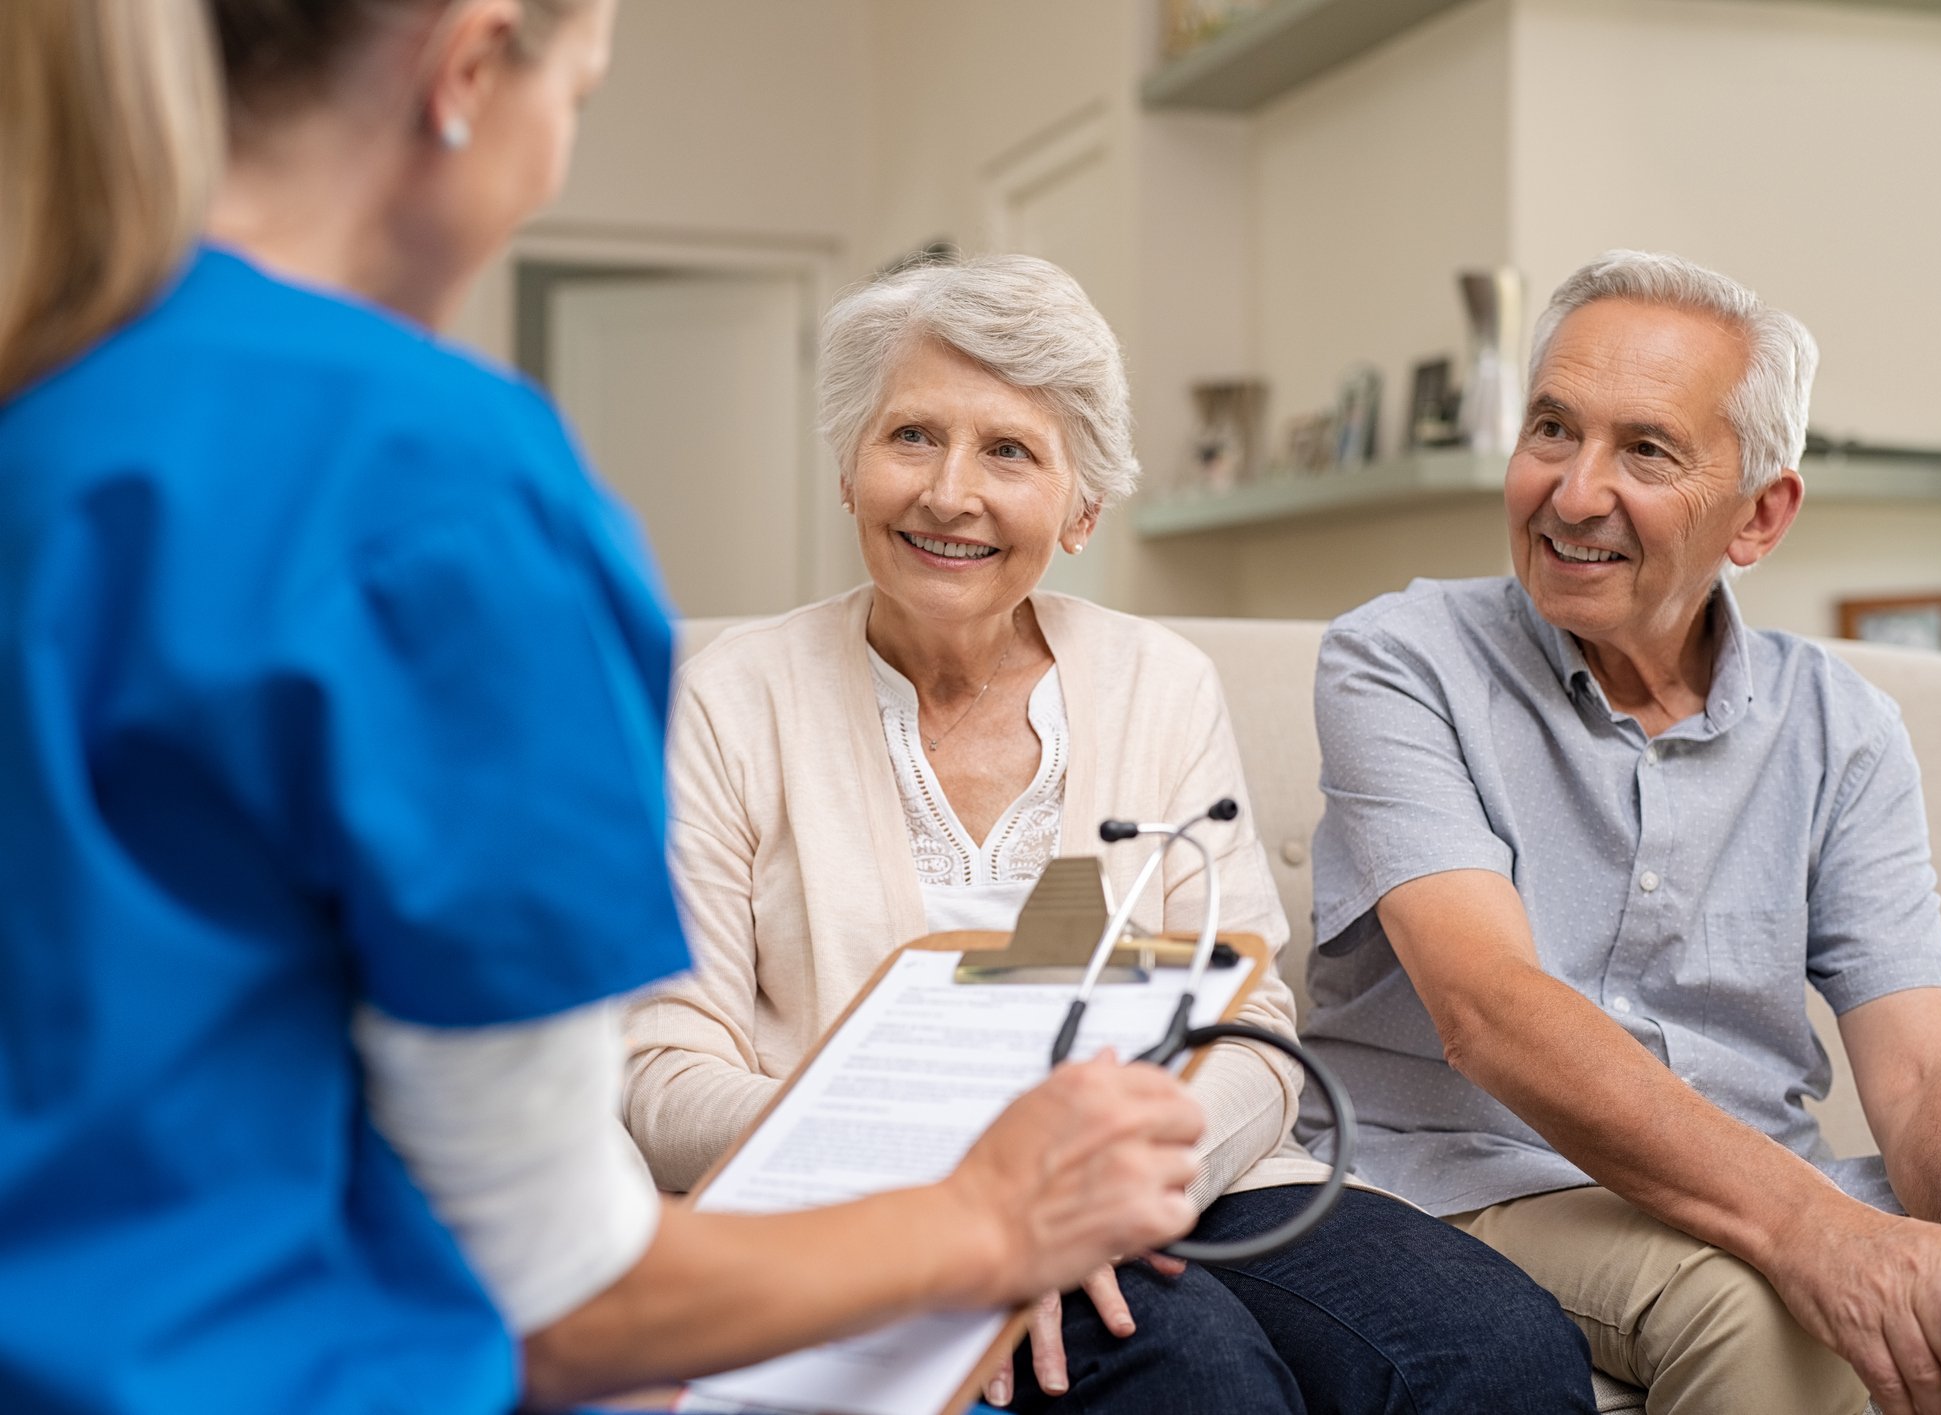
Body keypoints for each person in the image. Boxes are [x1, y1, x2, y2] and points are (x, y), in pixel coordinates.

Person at [0, 2, 1210, 1411]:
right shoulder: (441, 492)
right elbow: (557, 1290)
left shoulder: (50, 397)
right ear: (467, 66)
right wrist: (995, 1212)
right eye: (577, 94)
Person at [623, 252, 1595, 1414]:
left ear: (1080, 507)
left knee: (1502, 1346)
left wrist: (1113, 1183)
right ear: (846, 465)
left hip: (1166, 1176)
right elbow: (663, 1072)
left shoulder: (1158, 685)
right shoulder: (729, 698)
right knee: (1195, 1378)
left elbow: (1248, 1025)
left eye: (1009, 452)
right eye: (911, 436)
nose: (948, 492)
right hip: (863, 1207)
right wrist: (966, 1196)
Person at [1296, 248, 1941, 1414]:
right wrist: (1812, 1233)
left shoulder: (1839, 725)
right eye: (1550, 430)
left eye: (1643, 450)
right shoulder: (1399, 659)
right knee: (1754, 1306)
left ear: (1760, 513)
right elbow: (1491, 1013)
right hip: (1475, 1182)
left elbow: (1925, 1059)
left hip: (1767, 1175)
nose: (1574, 493)